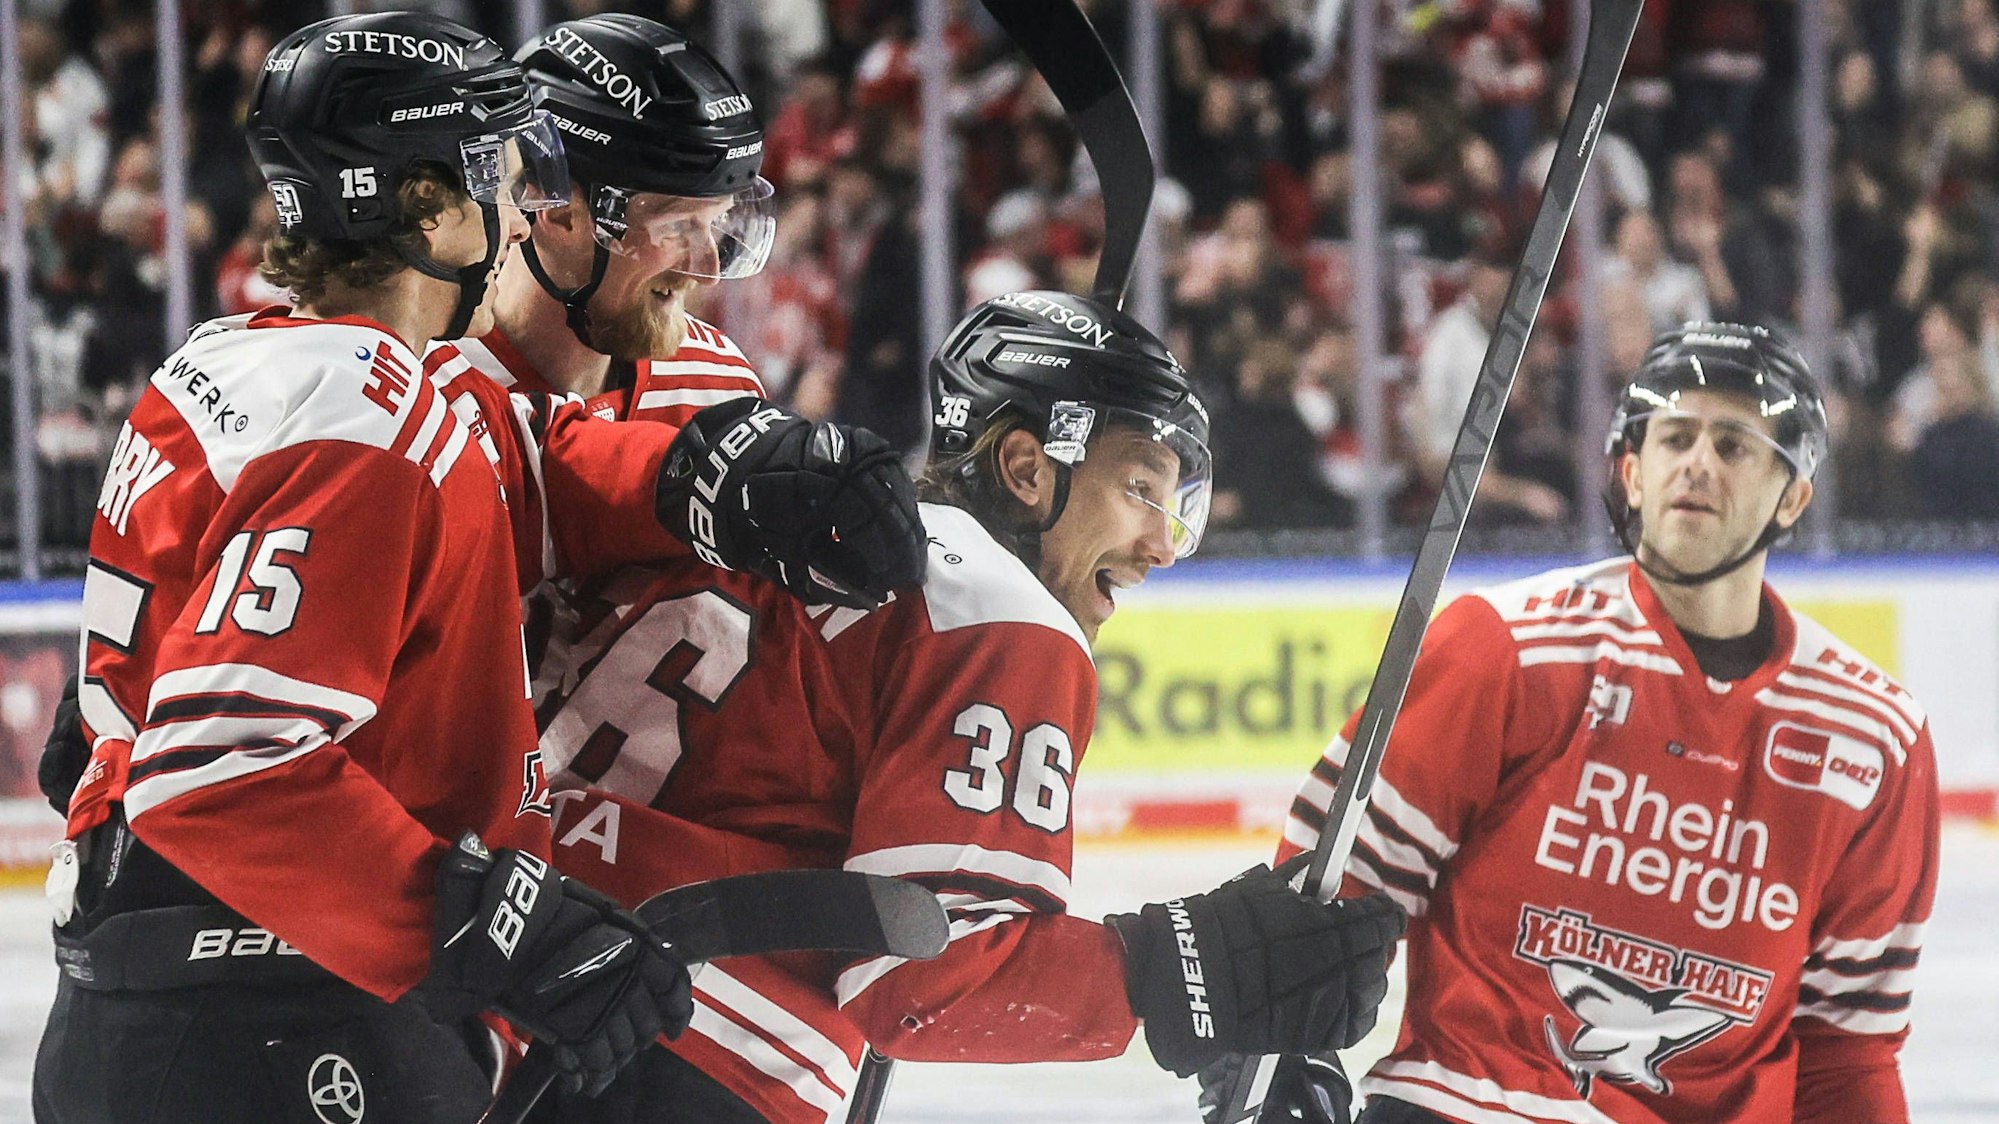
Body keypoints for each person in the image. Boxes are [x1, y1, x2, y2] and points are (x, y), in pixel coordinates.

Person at [31, 14, 924, 1121]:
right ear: (427, 206)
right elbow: (219, 762)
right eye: (509, 173)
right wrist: (497, 923)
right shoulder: (385, 403)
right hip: (295, 992)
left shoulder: (223, 359)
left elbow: (512, 489)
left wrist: (714, 471)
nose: (522, 203)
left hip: (229, 983)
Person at [522, 290, 1406, 1124]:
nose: (1159, 546)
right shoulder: (1002, 611)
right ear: (1025, 468)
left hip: (524, 955)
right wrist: (1186, 970)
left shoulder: (799, 520)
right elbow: (922, 987)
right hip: (689, 1037)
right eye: (1141, 489)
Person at [1222, 323, 1940, 1124]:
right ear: (1632, 474)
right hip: (1472, 1106)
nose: (1697, 462)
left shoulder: (1873, 737)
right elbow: (1327, 885)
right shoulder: (1507, 648)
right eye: (1674, 438)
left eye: (1734, 445)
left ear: (1792, 498)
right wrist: (1277, 1054)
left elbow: (1849, 1046)